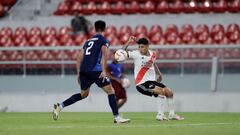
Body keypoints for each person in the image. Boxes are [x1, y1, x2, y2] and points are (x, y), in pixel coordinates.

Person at [53, 20, 130, 124]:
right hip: (95, 70)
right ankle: (117, 118)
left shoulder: (88, 41)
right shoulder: (103, 40)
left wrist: (78, 73)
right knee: (110, 90)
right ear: (105, 29)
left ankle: (60, 106)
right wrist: (103, 71)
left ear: (94, 28)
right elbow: (104, 55)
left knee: (83, 94)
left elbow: (79, 57)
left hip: (84, 70)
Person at [122, 36, 184, 121]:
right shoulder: (136, 54)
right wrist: (129, 42)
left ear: (147, 46)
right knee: (161, 92)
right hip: (141, 84)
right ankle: (160, 115)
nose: (140, 49)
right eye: (139, 47)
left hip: (152, 81)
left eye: (142, 47)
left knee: (169, 92)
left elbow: (153, 63)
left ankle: (171, 114)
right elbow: (121, 52)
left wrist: (159, 73)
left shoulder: (153, 54)